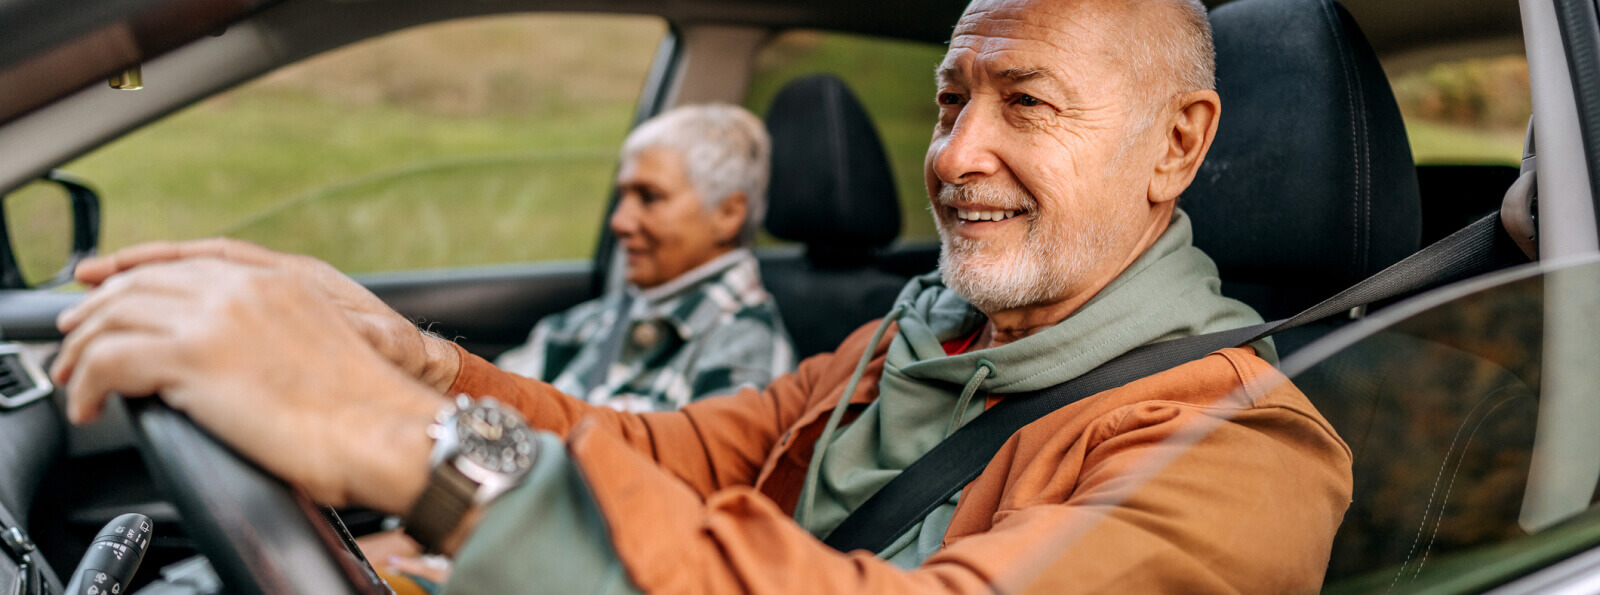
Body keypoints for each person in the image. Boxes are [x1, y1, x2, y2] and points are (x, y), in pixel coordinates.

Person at [51, 0, 1354, 591]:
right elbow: (662, 460)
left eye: (1027, 102)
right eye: (954, 98)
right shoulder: (915, 336)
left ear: (1178, 146)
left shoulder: (1243, 455)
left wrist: (414, 450)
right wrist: (420, 368)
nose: (954, 154)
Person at [495, 103, 795, 413]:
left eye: (649, 197)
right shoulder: (589, 323)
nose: (619, 222)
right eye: (622, 197)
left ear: (729, 214)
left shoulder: (746, 357)